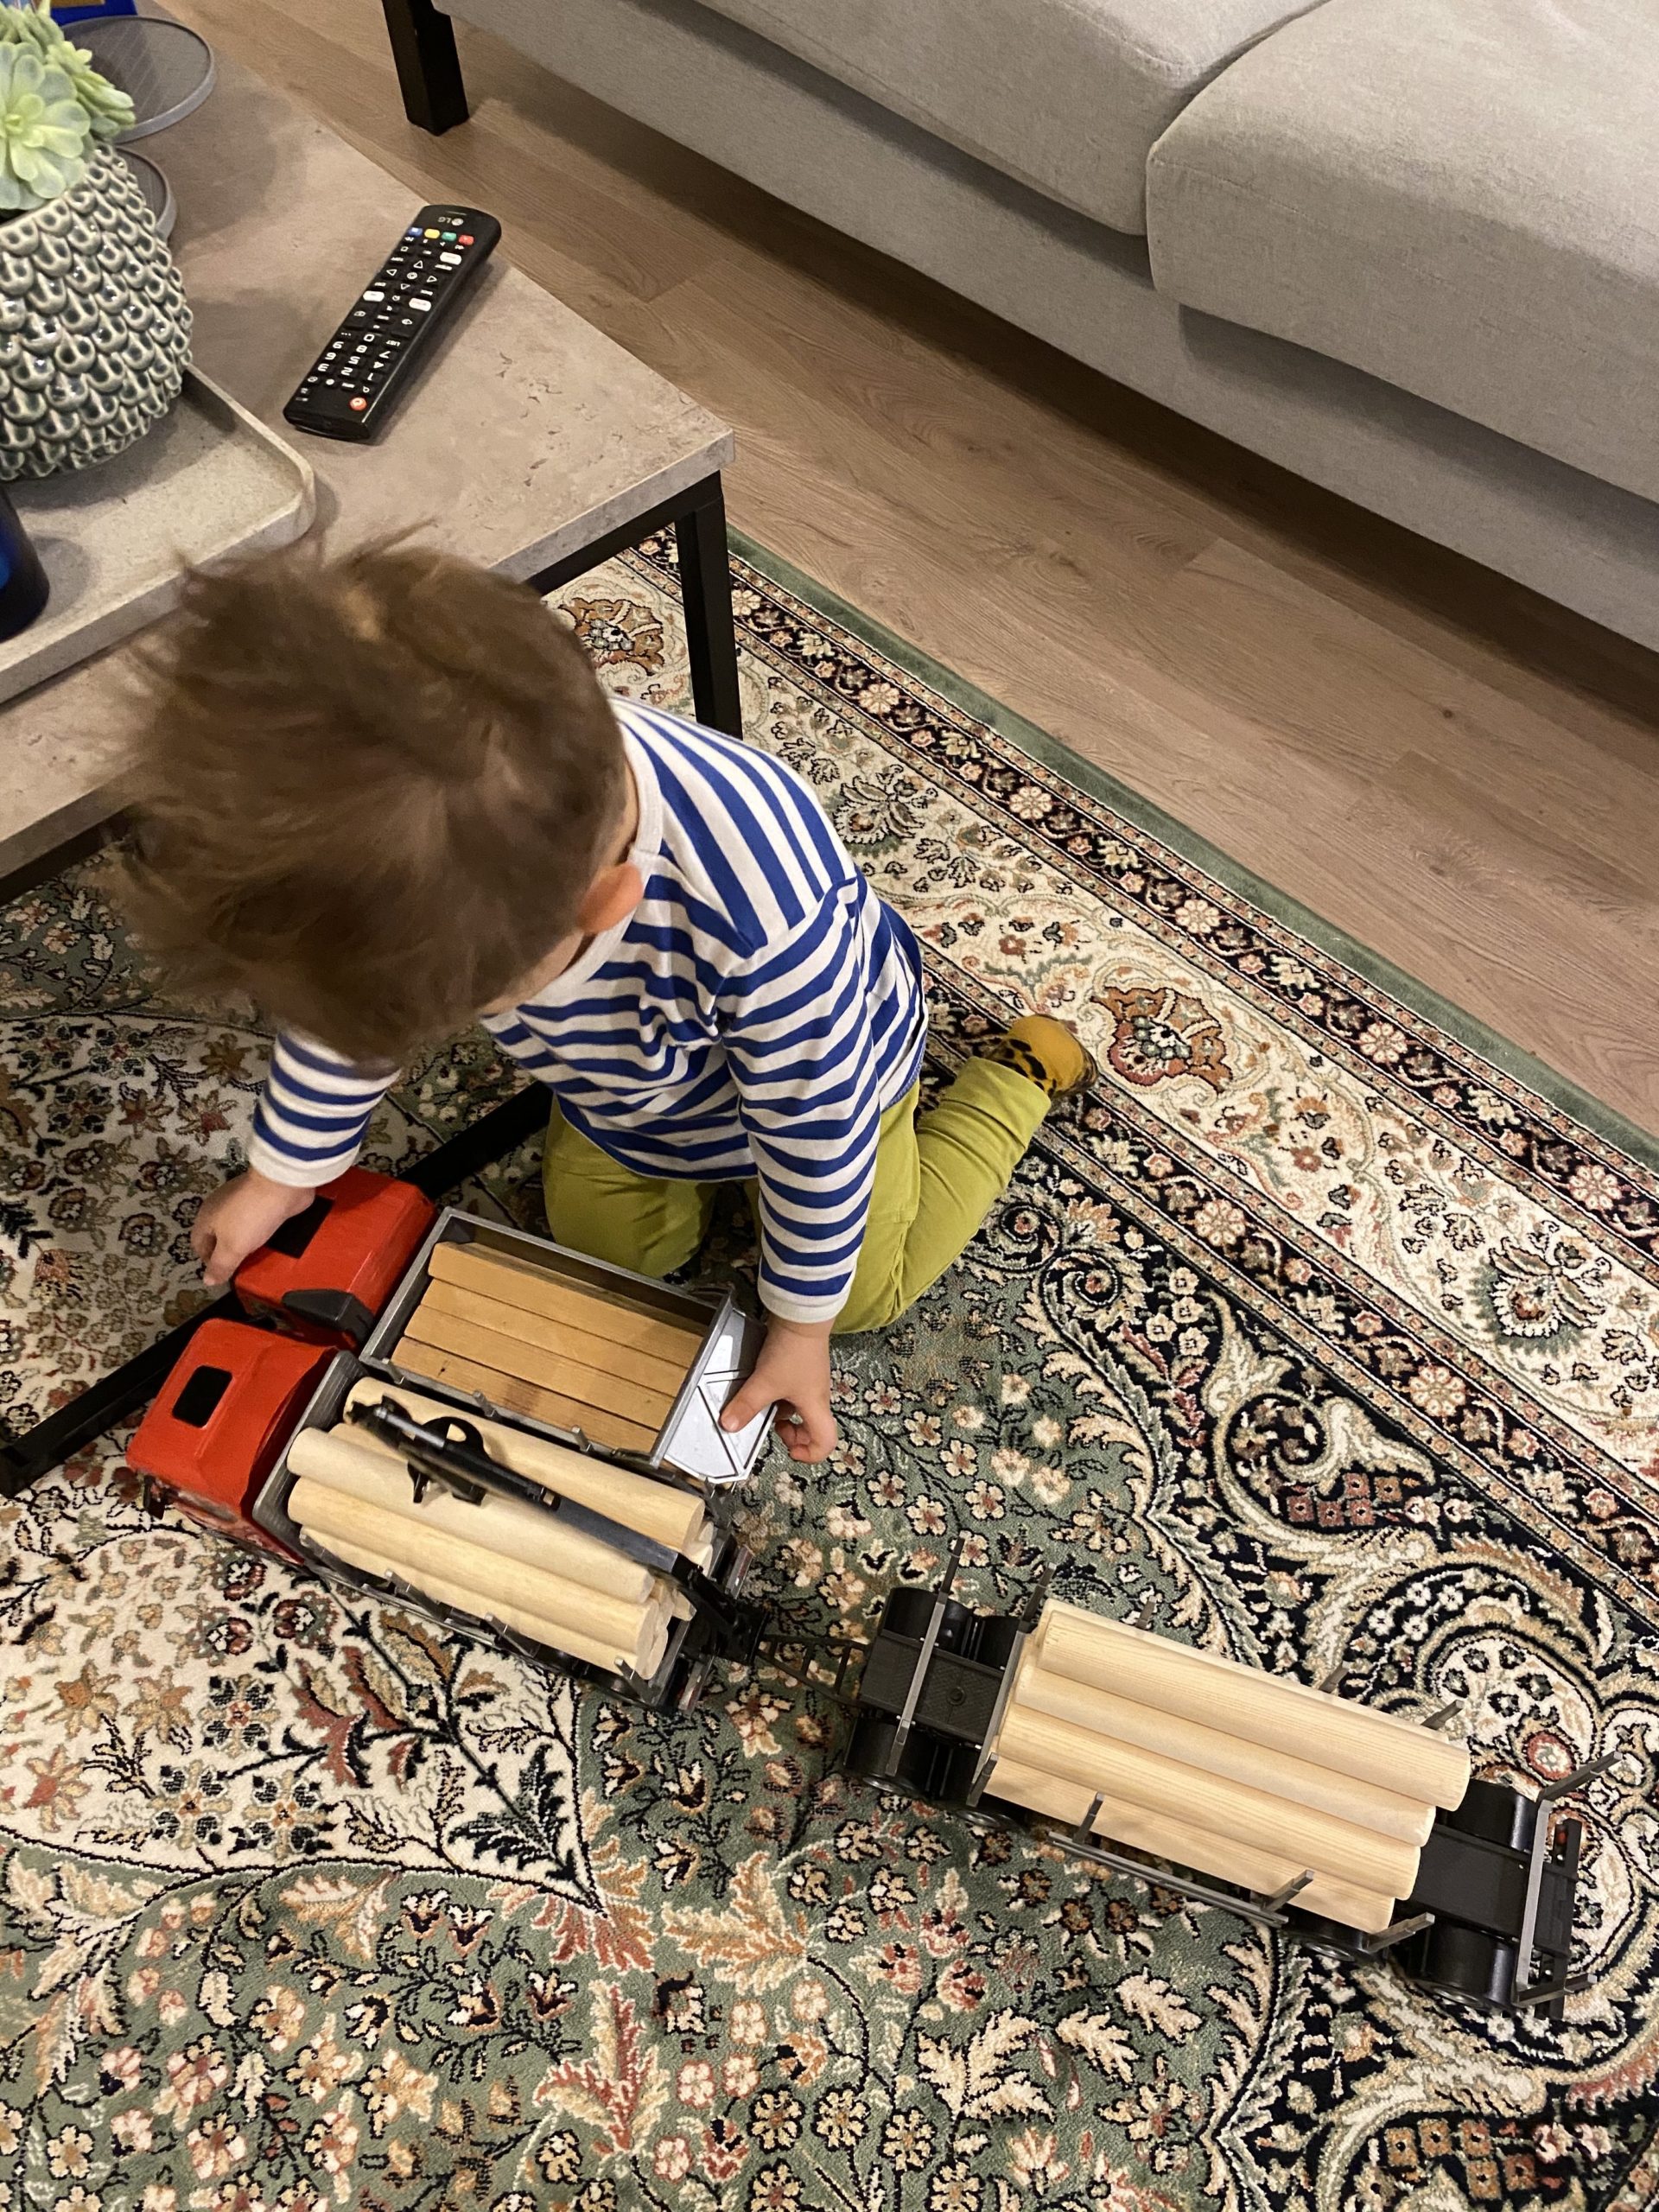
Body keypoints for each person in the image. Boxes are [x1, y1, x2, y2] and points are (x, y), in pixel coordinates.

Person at [120, 539, 1094, 1465]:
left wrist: (800, 1325)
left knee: (862, 1295)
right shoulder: (475, 816)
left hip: (837, 1084)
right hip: (627, 1095)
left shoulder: (768, 920)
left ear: (604, 904)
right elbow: (349, 996)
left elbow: (817, 1136)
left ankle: (1015, 1080)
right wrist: (289, 1170)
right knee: (598, 1251)